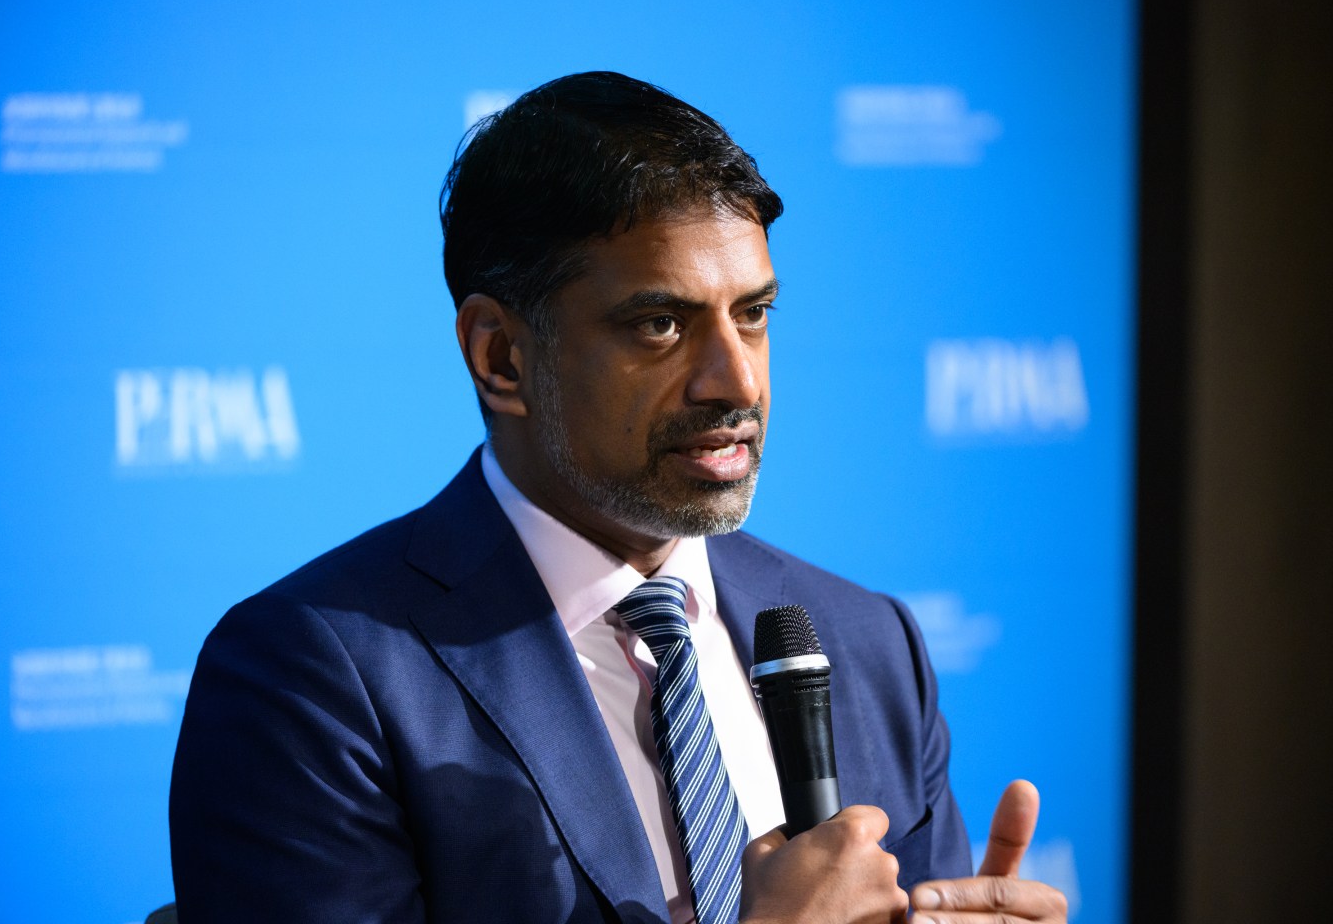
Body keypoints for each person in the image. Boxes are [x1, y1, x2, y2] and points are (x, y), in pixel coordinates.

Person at [169, 70, 1067, 924]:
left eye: (753, 314)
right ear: (501, 357)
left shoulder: (869, 641)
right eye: (661, 324)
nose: (736, 382)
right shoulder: (312, 675)